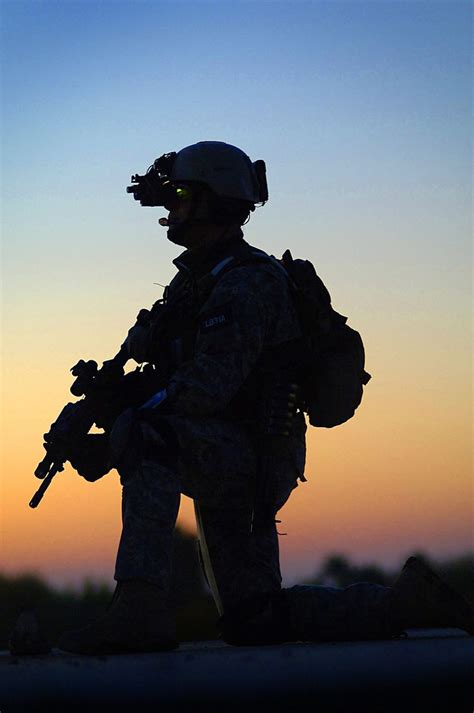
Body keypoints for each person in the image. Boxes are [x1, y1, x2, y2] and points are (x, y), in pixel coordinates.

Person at [58, 142, 473, 654]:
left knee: (149, 432)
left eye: (183, 195)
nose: (172, 208)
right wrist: (105, 413)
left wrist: (125, 425)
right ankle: (405, 605)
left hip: (252, 455)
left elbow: (208, 387)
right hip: (227, 448)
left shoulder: (247, 283)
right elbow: (173, 379)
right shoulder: (197, 284)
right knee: (254, 620)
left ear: (215, 201)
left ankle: (139, 610)